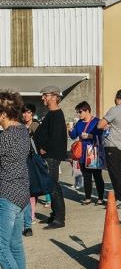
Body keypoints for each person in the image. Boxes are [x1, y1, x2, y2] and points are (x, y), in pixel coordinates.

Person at [0, 91, 31, 269]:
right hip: (21, 194)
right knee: (15, 246)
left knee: (1, 248)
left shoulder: (5, 137)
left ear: (3, 113)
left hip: (6, 194)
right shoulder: (22, 132)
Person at [34, 86, 67, 229]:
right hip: (49, 156)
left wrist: (44, 149)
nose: (43, 98)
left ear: (54, 97)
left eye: (45, 95)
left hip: (51, 156)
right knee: (50, 185)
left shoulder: (56, 114)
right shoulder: (50, 114)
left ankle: (59, 219)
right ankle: (54, 215)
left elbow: (55, 138)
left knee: (53, 186)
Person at [98, 89, 121, 206]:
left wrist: (107, 125)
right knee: (119, 171)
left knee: (114, 173)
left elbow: (100, 125)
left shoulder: (115, 110)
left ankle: (119, 198)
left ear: (117, 98)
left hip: (112, 144)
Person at [68, 101, 105, 206]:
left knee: (97, 176)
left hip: (92, 150)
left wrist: (90, 136)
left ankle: (100, 198)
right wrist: (70, 130)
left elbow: (102, 136)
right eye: (78, 112)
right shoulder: (79, 123)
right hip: (82, 152)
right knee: (86, 176)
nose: (79, 114)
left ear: (87, 110)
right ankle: (88, 197)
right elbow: (73, 135)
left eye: (80, 112)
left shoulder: (96, 121)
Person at [21, 104, 39, 238]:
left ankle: (30, 218)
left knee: (31, 191)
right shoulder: (20, 127)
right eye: (24, 113)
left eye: (28, 112)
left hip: (32, 160)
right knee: (28, 191)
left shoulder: (36, 126)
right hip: (22, 161)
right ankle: (29, 219)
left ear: (32, 113)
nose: (26, 115)